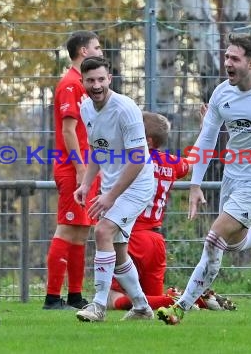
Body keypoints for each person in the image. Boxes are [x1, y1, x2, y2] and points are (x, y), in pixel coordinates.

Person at [156, 32, 251, 325]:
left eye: (234, 58)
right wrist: (196, 183)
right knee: (235, 242)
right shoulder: (221, 93)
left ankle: (181, 308)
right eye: (226, 57)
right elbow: (207, 138)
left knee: (215, 237)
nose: (227, 63)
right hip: (233, 174)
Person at [107, 109, 236, 312]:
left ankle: (181, 301)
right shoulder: (169, 162)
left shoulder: (131, 160)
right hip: (156, 241)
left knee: (113, 298)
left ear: (147, 141)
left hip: (131, 238)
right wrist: (205, 130)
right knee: (152, 300)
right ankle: (191, 298)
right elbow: (193, 162)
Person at [73, 56, 156, 322]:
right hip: (114, 185)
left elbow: (138, 159)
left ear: (110, 79)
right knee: (118, 253)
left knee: (102, 231)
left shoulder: (125, 109)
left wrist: (110, 196)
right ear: (83, 81)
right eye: (90, 80)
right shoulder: (86, 108)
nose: (96, 85)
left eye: (101, 79)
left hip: (137, 183)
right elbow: (98, 148)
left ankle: (98, 305)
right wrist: (86, 183)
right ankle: (142, 307)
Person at [44, 30, 103, 310]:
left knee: (81, 232)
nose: (100, 52)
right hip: (73, 169)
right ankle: (52, 298)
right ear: (83, 51)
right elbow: (68, 131)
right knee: (66, 229)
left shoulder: (83, 83)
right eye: (97, 47)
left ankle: (76, 296)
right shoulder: (70, 84)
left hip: (86, 168)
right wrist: (80, 169)